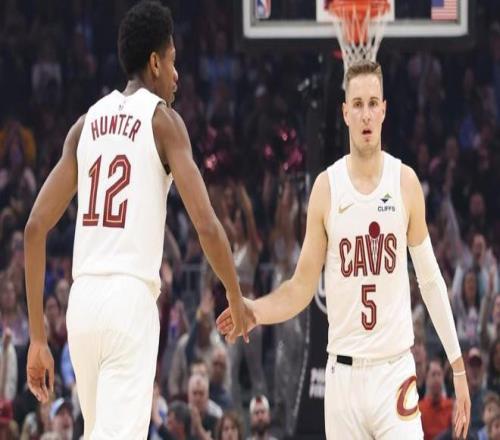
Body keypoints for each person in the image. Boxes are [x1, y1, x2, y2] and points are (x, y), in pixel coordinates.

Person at [24, 2, 249, 438]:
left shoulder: (85, 124)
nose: (177, 74)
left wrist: (37, 338)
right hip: (129, 301)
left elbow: (34, 228)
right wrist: (235, 295)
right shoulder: (164, 122)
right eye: (173, 61)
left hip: (82, 303)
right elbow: (206, 224)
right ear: (155, 62)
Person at [217, 60, 471, 439]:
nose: (366, 114)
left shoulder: (404, 183)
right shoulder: (326, 187)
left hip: (394, 373)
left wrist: (458, 367)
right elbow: (301, 287)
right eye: (358, 104)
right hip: (343, 379)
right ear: (345, 112)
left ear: (384, 110)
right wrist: (257, 311)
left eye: (373, 103)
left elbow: (431, 280)